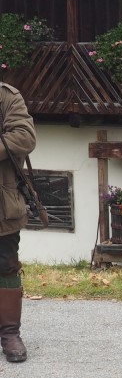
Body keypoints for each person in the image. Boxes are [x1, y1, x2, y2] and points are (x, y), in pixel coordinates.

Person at [0, 82, 36, 363]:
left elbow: (25, 137)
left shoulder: (7, 97)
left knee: (6, 265)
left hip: (2, 204)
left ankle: (10, 333)